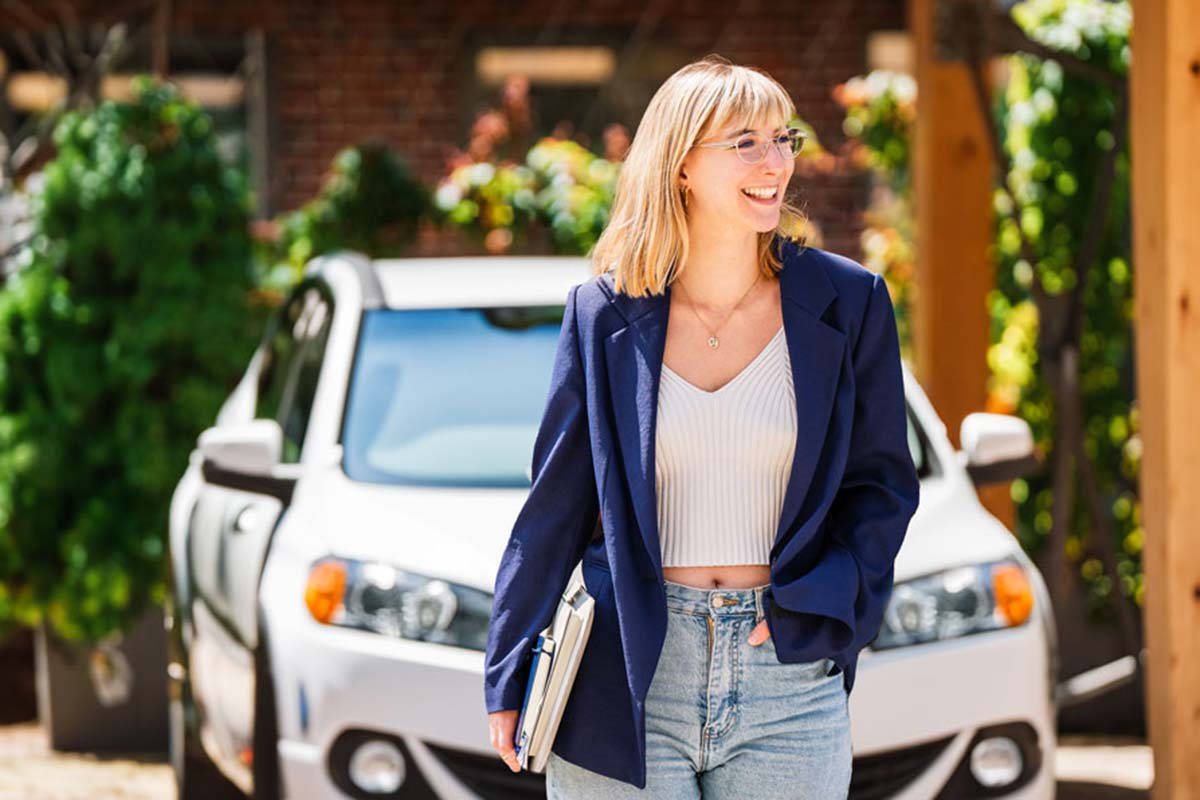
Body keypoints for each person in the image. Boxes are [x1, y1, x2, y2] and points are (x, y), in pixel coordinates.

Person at [485, 53, 920, 798]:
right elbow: (555, 503)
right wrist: (508, 661)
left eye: (784, 139)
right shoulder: (603, 313)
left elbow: (882, 486)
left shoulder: (850, 304)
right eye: (745, 141)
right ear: (682, 164)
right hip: (626, 669)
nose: (774, 160)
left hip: (785, 670)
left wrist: (823, 599)